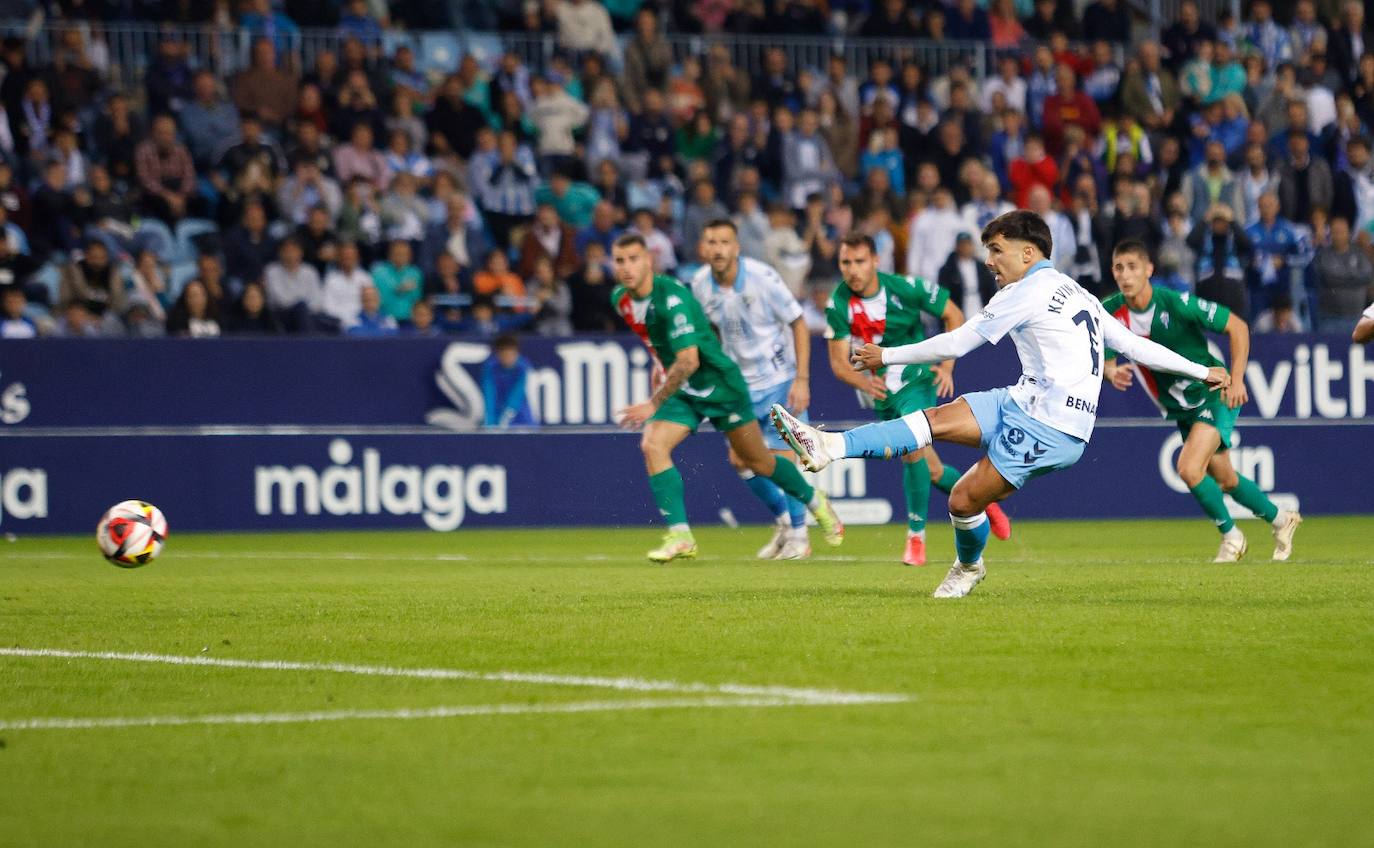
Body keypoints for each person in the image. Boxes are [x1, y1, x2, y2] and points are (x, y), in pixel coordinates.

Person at [770, 211, 1231, 598]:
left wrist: (886, 354)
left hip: (1053, 427)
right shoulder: (1080, 292)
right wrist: (1200, 369)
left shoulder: (1025, 291)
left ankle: (968, 567)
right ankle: (828, 446)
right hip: (1022, 400)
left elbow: (959, 340)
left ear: (1027, 253)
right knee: (929, 421)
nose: (990, 261)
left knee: (962, 499)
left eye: (997, 250)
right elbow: (1135, 344)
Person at [609, 233, 845, 563]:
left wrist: (654, 402)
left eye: (634, 259)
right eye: (620, 261)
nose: (627, 267)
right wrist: (658, 364)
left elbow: (690, 359)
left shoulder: (672, 297)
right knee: (653, 444)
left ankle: (813, 501)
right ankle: (680, 535)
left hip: (720, 385)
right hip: (686, 387)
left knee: (759, 461)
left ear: (649, 260)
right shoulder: (621, 299)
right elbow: (660, 341)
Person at [1102, 240, 1302, 562]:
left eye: (1132, 267)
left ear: (1149, 269)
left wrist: (1237, 380)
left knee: (1189, 467)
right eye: (1118, 268)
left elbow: (1237, 327)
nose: (1125, 275)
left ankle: (1232, 538)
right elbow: (1105, 348)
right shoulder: (1109, 310)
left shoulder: (1176, 304)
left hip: (1212, 392)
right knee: (1226, 479)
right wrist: (1110, 373)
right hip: (1180, 407)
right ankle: (1282, 519)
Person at [820, 232, 1010, 566]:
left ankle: (915, 538)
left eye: (860, 261)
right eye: (845, 262)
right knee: (933, 470)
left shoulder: (904, 287)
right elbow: (837, 364)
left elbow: (953, 314)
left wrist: (947, 366)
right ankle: (985, 501)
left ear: (875, 261)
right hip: (882, 393)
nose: (852, 270)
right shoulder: (838, 303)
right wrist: (863, 385)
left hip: (916, 380)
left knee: (911, 449)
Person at [689, 220, 813, 560]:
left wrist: (801, 379)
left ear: (736, 247)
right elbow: (708, 331)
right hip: (738, 388)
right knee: (739, 460)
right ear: (703, 247)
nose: (717, 249)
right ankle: (787, 523)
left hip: (777, 381)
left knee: (784, 457)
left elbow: (798, 323)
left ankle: (800, 538)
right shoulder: (699, 284)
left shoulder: (763, 278)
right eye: (711, 241)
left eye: (724, 242)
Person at [482, 334, 537, 428]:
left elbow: (517, 396)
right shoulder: (490, 367)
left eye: (511, 354)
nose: (508, 358)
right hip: (496, 413)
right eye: (504, 355)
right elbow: (489, 395)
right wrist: (489, 422)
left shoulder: (523, 368)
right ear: (498, 354)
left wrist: (505, 421)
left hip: (521, 415)